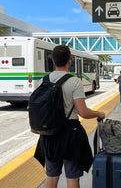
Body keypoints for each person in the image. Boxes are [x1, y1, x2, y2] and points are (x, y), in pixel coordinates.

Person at [34, 45, 105, 188]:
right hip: (70, 135)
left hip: (48, 135)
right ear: (69, 61)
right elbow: (83, 112)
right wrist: (99, 113)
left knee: (51, 177)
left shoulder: (43, 81)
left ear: (53, 60)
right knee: (72, 179)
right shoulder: (74, 82)